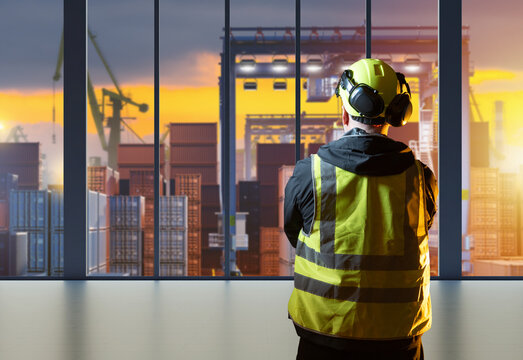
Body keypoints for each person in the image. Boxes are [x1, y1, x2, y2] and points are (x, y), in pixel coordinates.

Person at [284, 58, 438, 360]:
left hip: (325, 336)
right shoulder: (421, 178)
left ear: (345, 112)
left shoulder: (309, 173)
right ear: (397, 112)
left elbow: (295, 233)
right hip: (399, 339)